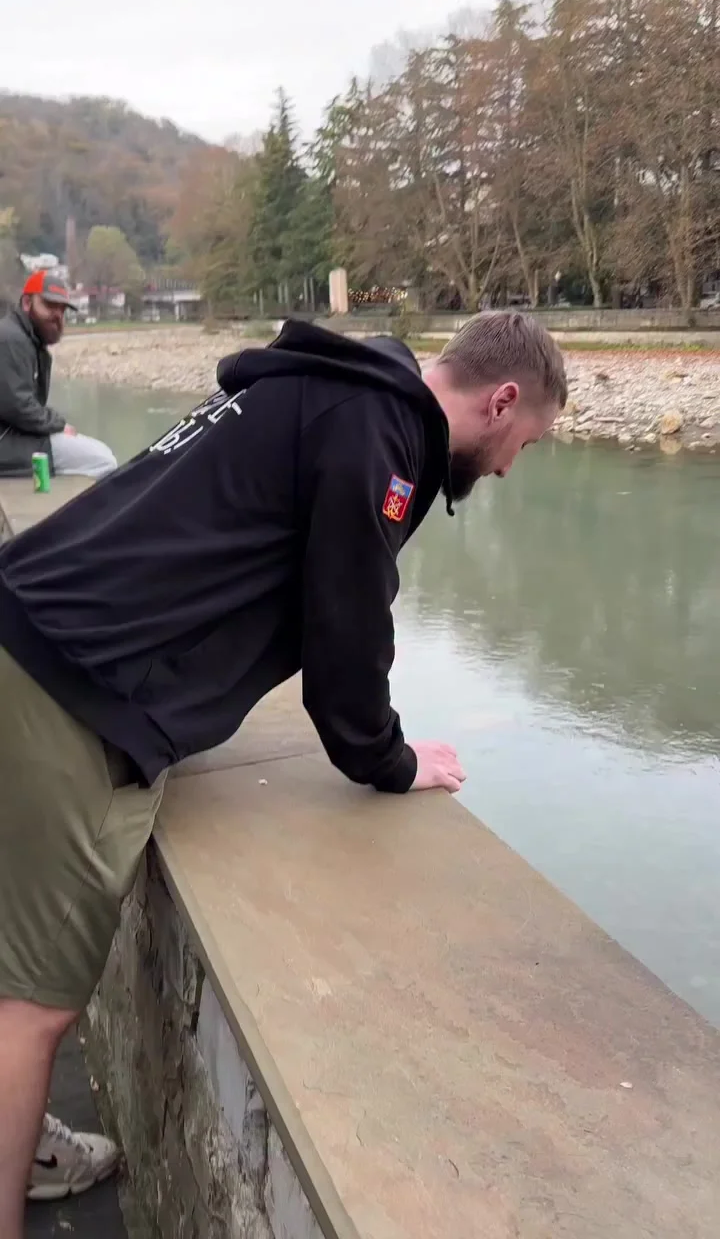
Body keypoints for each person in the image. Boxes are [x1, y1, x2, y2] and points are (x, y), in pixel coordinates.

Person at [0, 311, 566, 1234]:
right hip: (64, 684)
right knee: (33, 1008)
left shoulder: (335, 388)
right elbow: (347, 637)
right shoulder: (377, 438)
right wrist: (392, 759)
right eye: (525, 444)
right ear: (502, 402)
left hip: (29, 620)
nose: (508, 468)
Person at [0, 270, 118, 480]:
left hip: (11, 436)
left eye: (62, 309)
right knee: (102, 460)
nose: (57, 315)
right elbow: (18, 405)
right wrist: (59, 425)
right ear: (27, 303)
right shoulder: (10, 339)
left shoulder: (26, 339)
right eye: (49, 305)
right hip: (6, 443)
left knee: (90, 452)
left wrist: (55, 426)